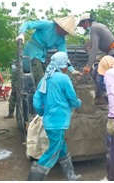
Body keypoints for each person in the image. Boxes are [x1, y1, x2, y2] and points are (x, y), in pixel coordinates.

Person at [28, 52, 82, 181]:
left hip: (49, 121)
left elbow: (36, 101)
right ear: (62, 65)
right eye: (66, 66)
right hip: (58, 121)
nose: (66, 69)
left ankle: (71, 176)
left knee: (61, 147)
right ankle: (33, 179)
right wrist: (79, 103)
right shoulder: (64, 78)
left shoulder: (45, 79)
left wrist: (43, 112)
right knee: (52, 152)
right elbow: (72, 98)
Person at [16, 15, 82, 86]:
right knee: (40, 79)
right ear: (61, 27)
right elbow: (27, 23)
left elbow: (64, 56)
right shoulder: (47, 25)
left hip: (42, 56)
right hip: (32, 51)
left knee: (49, 76)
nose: (67, 34)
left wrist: (72, 70)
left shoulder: (61, 40)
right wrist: (22, 34)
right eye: (67, 31)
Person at [77, 13, 114, 105]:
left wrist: (88, 65)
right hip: (111, 53)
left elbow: (94, 49)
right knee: (95, 73)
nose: (83, 27)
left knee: (103, 75)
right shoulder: (99, 25)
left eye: (83, 25)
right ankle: (100, 98)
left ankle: (111, 98)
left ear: (86, 22)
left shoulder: (94, 29)